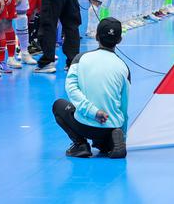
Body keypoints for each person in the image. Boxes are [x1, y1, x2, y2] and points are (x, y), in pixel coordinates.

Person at [51, 17, 129, 159]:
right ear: (119, 40)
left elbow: (72, 90)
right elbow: (124, 107)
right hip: (110, 126)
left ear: (97, 36)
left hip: (84, 125)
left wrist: (94, 112)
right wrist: (122, 135)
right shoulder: (124, 67)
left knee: (59, 105)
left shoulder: (80, 59)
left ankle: (80, 144)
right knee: (105, 142)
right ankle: (112, 141)